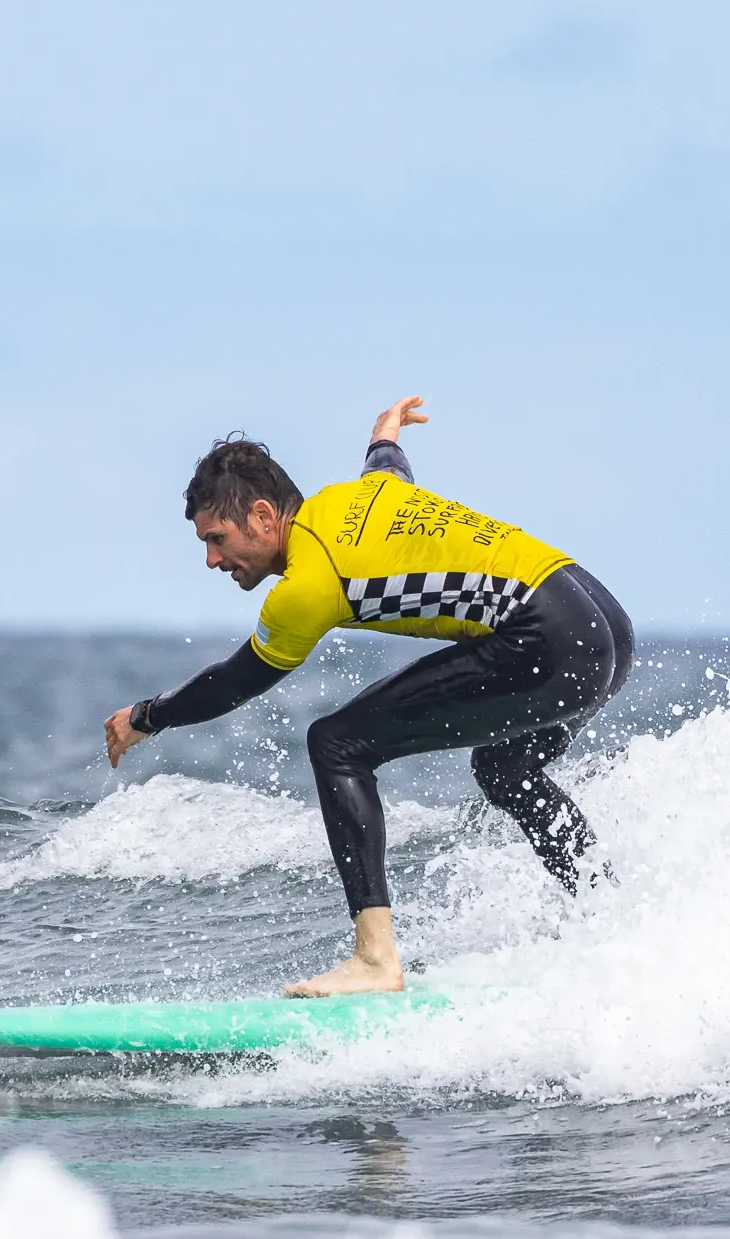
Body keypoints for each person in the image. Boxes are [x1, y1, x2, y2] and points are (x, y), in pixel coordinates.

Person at [104, 396, 635, 997]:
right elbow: (388, 470)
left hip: (547, 639)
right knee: (504, 766)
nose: (211, 559)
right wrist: (386, 432)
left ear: (261, 515)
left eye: (217, 539)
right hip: (603, 622)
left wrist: (148, 716)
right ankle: (614, 914)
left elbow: (234, 682)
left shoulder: (308, 583)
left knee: (336, 743)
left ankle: (375, 959)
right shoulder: (349, 500)